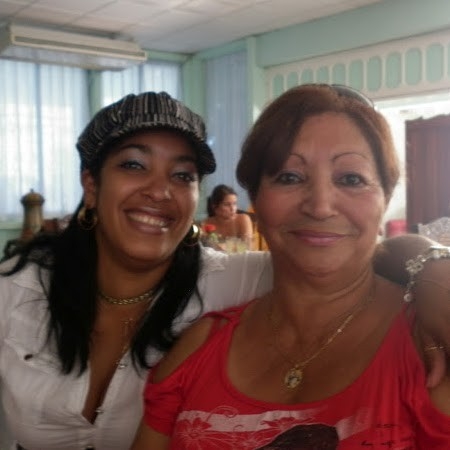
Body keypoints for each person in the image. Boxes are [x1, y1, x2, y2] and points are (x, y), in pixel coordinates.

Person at [0, 91, 448, 450]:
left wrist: (434, 268)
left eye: (182, 175)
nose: (159, 191)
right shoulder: (17, 289)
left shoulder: (228, 277)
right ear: (91, 184)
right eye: (134, 165)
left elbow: (345, 257)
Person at [132, 84, 450, 449]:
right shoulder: (199, 347)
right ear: (256, 197)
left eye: (351, 179)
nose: (320, 206)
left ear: (386, 197)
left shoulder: (432, 343)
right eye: (289, 177)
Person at [202, 184, 254, 251]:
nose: (233, 208)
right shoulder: (207, 223)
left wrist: (224, 246)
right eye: (226, 204)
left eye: (234, 203)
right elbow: (205, 249)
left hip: (240, 257)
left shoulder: (243, 219)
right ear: (215, 207)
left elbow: (247, 247)